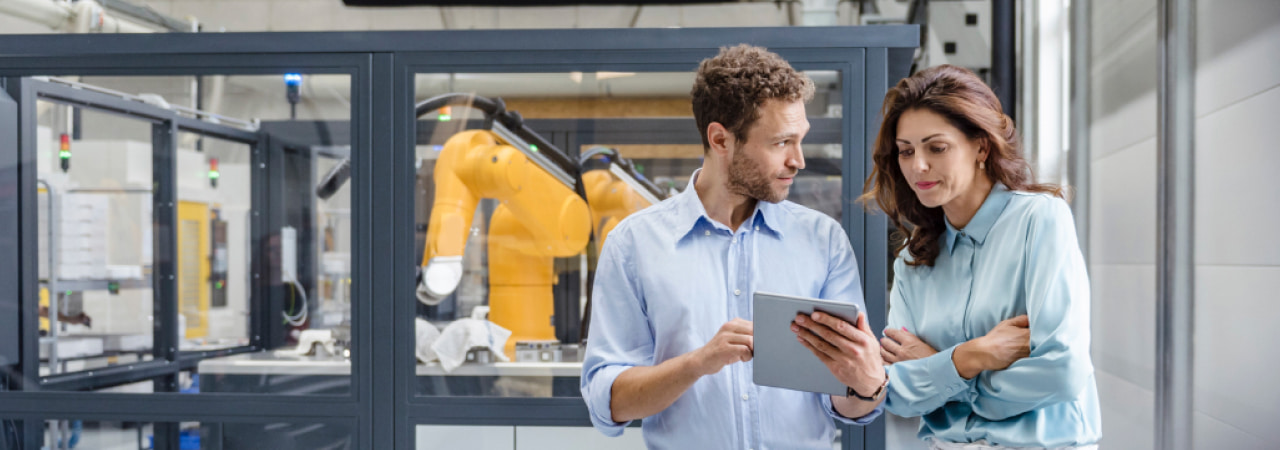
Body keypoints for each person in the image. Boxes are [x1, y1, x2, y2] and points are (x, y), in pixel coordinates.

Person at [581, 44, 887, 449]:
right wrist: (696, 363)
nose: (799, 160)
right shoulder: (634, 244)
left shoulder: (823, 240)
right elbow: (608, 402)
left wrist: (866, 386)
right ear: (720, 139)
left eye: (801, 140)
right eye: (781, 143)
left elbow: (846, 405)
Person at [859, 64, 1101, 450]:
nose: (917, 166)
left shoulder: (1039, 219)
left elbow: (1062, 371)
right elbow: (899, 393)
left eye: (936, 148)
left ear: (981, 148)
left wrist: (944, 373)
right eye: (906, 152)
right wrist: (971, 357)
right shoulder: (912, 258)